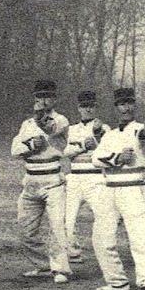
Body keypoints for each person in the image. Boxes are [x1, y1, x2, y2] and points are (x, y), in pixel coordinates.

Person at [91, 87, 145, 290]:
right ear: (116, 107)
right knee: (102, 239)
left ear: (134, 105)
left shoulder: (139, 129)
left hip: (132, 188)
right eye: (122, 104)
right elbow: (95, 159)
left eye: (129, 103)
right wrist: (117, 158)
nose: (126, 108)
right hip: (108, 190)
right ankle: (116, 281)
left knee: (139, 237)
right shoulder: (109, 134)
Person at [11, 78, 71, 284]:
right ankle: (43, 265)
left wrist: (40, 120)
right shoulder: (26, 124)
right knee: (25, 230)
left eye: (47, 97)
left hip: (53, 179)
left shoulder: (61, 120)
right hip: (30, 180)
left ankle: (60, 268)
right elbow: (14, 149)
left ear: (54, 99)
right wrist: (30, 147)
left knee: (57, 226)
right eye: (39, 97)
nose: (43, 101)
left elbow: (51, 129)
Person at [62, 91, 111, 265]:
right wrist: (83, 146)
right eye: (84, 106)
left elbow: (107, 150)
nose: (88, 110)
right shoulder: (72, 129)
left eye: (91, 106)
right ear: (79, 108)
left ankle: (105, 254)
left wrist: (95, 140)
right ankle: (73, 252)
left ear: (96, 108)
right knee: (67, 219)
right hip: (75, 177)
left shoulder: (104, 128)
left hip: (96, 178)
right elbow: (65, 152)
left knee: (104, 217)